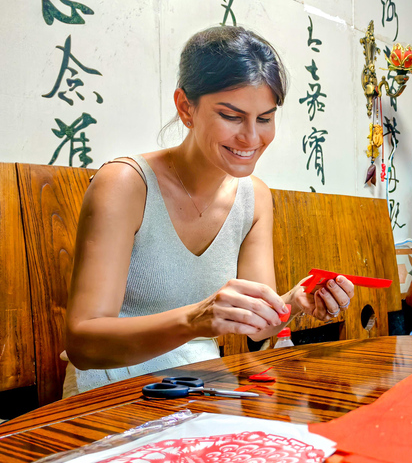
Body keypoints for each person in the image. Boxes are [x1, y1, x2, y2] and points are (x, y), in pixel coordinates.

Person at [63, 26, 354, 397]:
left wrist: (294, 302)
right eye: (232, 116)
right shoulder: (125, 185)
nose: (251, 138)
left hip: (200, 389)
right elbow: (84, 345)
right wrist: (194, 319)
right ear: (186, 107)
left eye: (264, 118)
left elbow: (258, 328)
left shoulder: (254, 198)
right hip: (109, 394)